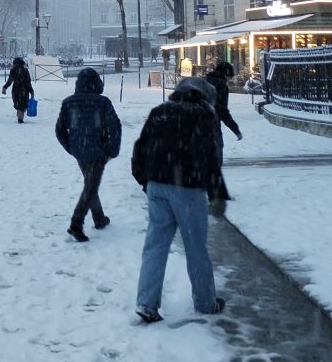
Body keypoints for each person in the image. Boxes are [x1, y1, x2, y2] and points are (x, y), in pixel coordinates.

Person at [131, 77, 225, 323]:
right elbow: (213, 157)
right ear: (202, 96)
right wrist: (215, 192)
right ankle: (206, 303)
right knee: (196, 248)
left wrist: (145, 181)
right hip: (189, 189)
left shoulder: (159, 112)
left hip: (157, 186)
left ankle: (147, 303)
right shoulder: (204, 117)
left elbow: (140, 148)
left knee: (155, 246)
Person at [55, 68, 122, 242]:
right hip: (98, 151)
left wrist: (72, 147)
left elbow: (59, 130)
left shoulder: (68, 103)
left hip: (80, 151)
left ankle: (99, 219)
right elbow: (115, 127)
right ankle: (76, 224)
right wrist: (111, 151)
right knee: (91, 186)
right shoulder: (102, 102)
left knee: (90, 184)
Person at [204, 60, 241, 205]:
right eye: (229, 77)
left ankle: (206, 189)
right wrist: (235, 128)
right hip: (212, 125)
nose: (229, 80)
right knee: (215, 158)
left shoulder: (206, 81)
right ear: (226, 74)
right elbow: (222, 110)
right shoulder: (221, 86)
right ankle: (216, 193)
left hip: (197, 123)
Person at [1, 56, 34, 124]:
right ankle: (20, 117)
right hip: (24, 90)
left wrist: (5, 87)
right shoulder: (25, 71)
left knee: (18, 105)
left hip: (16, 90)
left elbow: (10, 80)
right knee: (23, 105)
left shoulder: (13, 70)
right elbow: (28, 82)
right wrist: (31, 91)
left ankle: (20, 117)